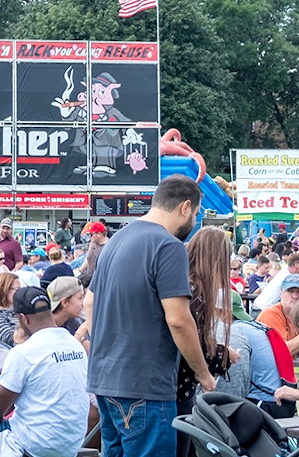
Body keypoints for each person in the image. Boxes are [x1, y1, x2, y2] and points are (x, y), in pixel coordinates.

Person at [88, 175, 209, 456]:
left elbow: (89, 301)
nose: (194, 221)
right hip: (145, 386)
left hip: (105, 379)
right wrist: (203, 374)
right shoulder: (168, 246)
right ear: (185, 207)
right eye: (196, 213)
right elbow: (178, 320)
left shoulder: (116, 240)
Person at [0, 286, 90, 457]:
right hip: (71, 443)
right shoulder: (74, 344)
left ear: (23, 318)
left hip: (35, 445)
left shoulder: (24, 352)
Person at [76, 221, 108, 286]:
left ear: (99, 234)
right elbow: (88, 258)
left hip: (102, 280)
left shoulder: (109, 246)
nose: (90, 237)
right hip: (90, 278)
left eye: (91, 234)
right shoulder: (92, 243)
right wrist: (80, 270)